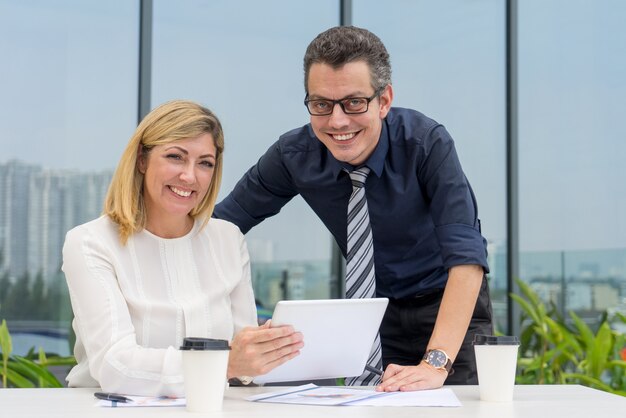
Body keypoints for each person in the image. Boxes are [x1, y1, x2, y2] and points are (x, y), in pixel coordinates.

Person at [213, 26, 493, 391]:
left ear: (384, 100)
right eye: (321, 104)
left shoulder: (426, 143)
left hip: (448, 308)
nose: (337, 121)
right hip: (373, 314)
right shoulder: (293, 156)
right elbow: (221, 227)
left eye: (354, 102)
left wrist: (435, 362)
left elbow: (467, 261)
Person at [62, 100, 303, 396]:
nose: (190, 176)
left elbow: (245, 365)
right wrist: (226, 363)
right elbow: (115, 366)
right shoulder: (91, 242)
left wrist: (265, 353)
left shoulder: (228, 239)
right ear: (141, 159)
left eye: (205, 163)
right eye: (176, 157)